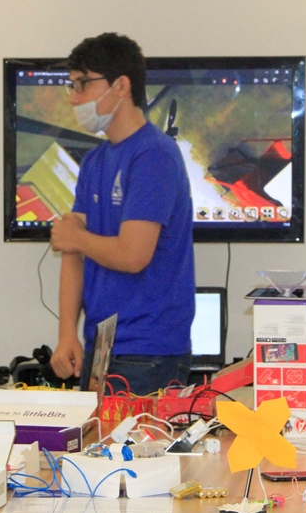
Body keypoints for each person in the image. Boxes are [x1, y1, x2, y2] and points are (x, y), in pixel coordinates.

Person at [49, 32, 196, 396]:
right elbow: (73, 253)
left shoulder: (154, 155)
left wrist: (76, 237)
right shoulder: (96, 160)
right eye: (71, 85)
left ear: (121, 86)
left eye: (83, 83)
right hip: (100, 346)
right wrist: (67, 334)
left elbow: (133, 255)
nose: (73, 97)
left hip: (147, 351)